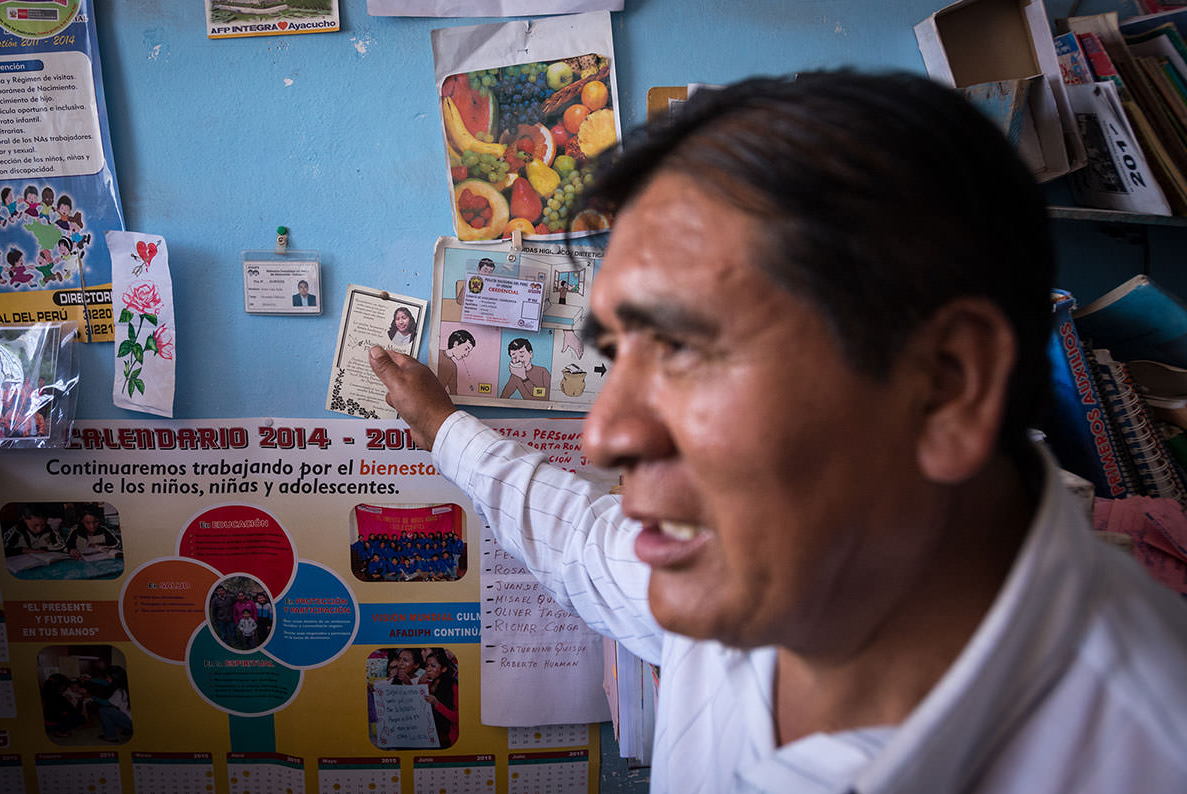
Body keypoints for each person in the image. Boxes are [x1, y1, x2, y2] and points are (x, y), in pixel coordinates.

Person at [367, 71, 1187, 792]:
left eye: (682, 348)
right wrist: (440, 423)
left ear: (946, 386)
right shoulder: (749, 567)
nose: (604, 438)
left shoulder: (1150, 754)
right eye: (618, 356)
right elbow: (579, 541)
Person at [420, 648, 458, 748]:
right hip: (428, 737)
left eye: (433, 666)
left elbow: (456, 718)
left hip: (447, 740)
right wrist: (419, 686)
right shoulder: (427, 685)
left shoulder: (453, 686)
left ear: (444, 669)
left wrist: (437, 704)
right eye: (427, 666)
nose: (428, 669)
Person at [437, 329, 475, 395]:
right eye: (466, 349)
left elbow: (453, 392)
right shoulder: (436, 354)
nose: (466, 354)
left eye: (468, 351)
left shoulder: (453, 367)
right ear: (456, 344)